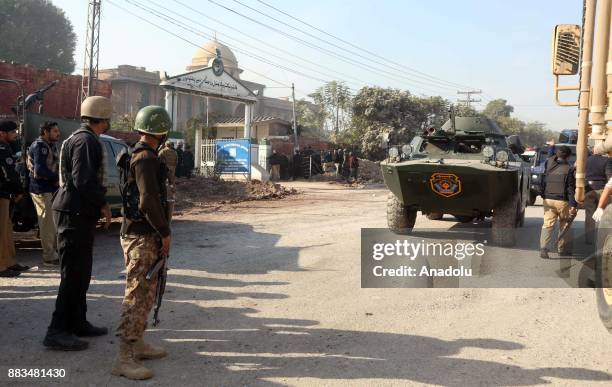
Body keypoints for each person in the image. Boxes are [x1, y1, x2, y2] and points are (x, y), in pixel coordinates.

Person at [43, 96, 113, 351]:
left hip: (77, 212)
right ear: (103, 118)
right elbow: (83, 180)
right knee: (72, 275)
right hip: (73, 213)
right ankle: (57, 330)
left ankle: (77, 322)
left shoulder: (82, 138)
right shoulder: (85, 141)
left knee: (81, 273)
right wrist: (103, 204)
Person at [112, 106, 172, 380]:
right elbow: (148, 201)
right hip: (142, 235)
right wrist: (164, 231)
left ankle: (139, 343)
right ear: (163, 131)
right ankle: (123, 357)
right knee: (137, 294)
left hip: (143, 233)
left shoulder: (140, 153)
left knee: (147, 292)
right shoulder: (146, 158)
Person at [27, 121, 61, 266]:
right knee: (47, 224)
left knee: (52, 223)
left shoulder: (51, 146)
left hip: (49, 189)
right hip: (41, 189)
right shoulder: (39, 146)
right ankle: (49, 256)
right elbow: (39, 171)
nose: (58, 134)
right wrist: (57, 178)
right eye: (54, 131)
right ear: (45, 132)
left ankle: (53, 252)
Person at [0, 120, 29, 277]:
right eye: (12, 132)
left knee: (6, 229)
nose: (15, 134)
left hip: (4, 194)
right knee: (2, 230)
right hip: (2, 193)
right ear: (2, 133)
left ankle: (9, 261)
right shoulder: (2, 147)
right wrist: (18, 190)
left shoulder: (7, 147)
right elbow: (9, 174)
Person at [539, 145, 577, 259]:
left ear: (557, 155)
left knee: (547, 224)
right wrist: (573, 205)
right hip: (562, 201)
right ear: (569, 156)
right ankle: (562, 249)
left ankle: (544, 249)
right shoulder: (569, 169)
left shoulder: (549, 164)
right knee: (564, 224)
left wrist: (551, 147)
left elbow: (550, 156)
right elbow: (570, 188)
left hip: (548, 200)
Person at [584, 148, 612, 244]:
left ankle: (589, 239)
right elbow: (609, 175)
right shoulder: (607, 160)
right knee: (603, 214)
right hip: (602, 189)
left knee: (589, 215)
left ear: (593, 151)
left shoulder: (586, 159)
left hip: (588, 189)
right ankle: (601, 238)